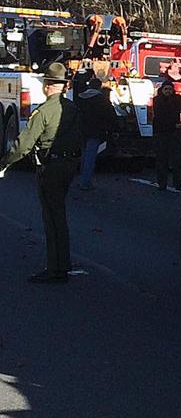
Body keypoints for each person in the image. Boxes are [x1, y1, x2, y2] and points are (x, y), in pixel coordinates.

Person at [0, 62, 82, 283]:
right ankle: (62, 264)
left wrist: (5, 163)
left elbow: (24, 143)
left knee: (52, 217)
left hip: (51, 166)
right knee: (60, 215)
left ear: (47, 85)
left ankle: (56, 267)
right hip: (69, 165)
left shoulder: (44, 111)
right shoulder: (72, 109)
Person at [74, 74, 118, 190]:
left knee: (85, 155)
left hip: (82, 130)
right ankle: (85, 181)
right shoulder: (102, 100)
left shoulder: (80, 98)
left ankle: (82, 179)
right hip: (96, 131)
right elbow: (110, 115)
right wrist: (113, 129)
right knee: (91, 156)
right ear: (99, 87)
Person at [152, 80, 181, 191]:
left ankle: (178, 183)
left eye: (170, 89)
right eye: (166, 89)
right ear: (162, 90)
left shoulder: (177, 99)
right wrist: (175, 125)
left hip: (173, 133)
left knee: (177, 159)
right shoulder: (157, 100)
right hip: (161, 132)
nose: (168, 91)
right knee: (161, 159)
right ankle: (161, 183)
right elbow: (160, 116)